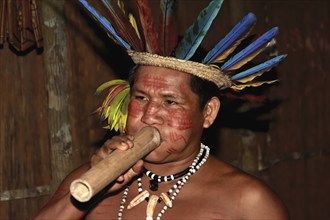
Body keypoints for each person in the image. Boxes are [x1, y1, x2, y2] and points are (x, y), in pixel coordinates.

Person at [33, 0, 289, 219]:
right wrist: (92, 190)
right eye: (141, 97)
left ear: (208, 112)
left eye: (170, 101)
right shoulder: (88, 178)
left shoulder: (248, 201)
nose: (148, 115)